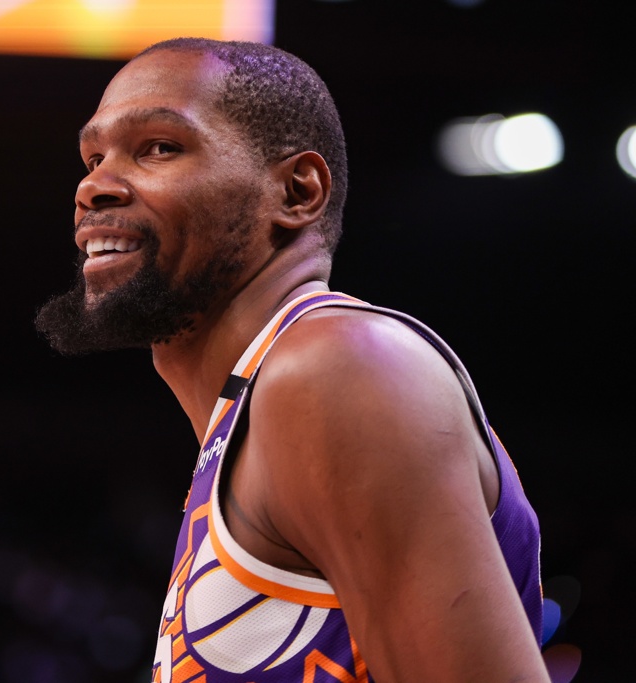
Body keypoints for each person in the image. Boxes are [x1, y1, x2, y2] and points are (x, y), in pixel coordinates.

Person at [35, 37, 547, 682]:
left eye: (159, 147)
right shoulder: (259, 404)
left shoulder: (338, 368)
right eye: (93, 158)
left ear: (297, 192)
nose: (94, 187)